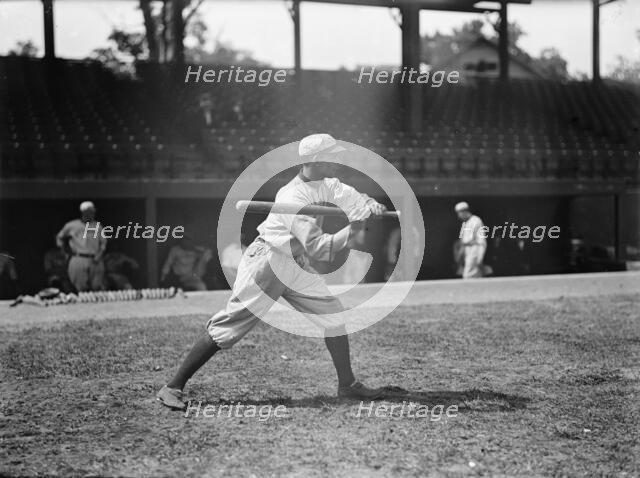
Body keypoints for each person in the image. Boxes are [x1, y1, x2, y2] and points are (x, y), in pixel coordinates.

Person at [157, 133, 389, 410]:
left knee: (334, 317)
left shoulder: (328, 183)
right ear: (316, 160)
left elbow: (353, 199)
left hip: (295, 262)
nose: (338, 161)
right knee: (229, 328)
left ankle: (347, 385)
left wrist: (368, 205)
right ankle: (172, 386)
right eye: (333, 156)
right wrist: (354, 227)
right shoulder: (292, 195)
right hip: (268, 261)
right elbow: (319, 248)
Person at [56, 201, 107, 291]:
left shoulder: (98, 226)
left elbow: (103, 243)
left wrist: (99, 255)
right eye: (89, 212)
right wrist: (64, 253)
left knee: (96, 287)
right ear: (83, 212)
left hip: (95, 258)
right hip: (78, 258)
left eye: (92, 211)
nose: (92, 214)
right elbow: (60, 238)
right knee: (80, 288)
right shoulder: (71, 225)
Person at [455, 201, 487, 279]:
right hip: (467, 251)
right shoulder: (465, 223)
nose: (459, 216)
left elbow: (482, 240)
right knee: (474, 276)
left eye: (459, 213)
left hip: (474, 251)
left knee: (468, 276)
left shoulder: (476, 221)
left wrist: (480, 256)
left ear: (464, 211)